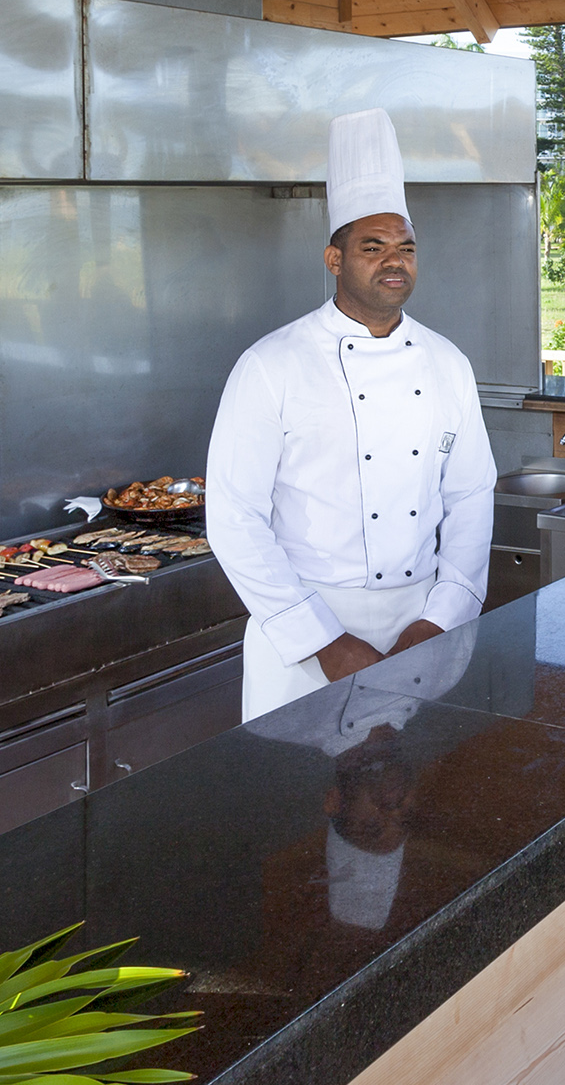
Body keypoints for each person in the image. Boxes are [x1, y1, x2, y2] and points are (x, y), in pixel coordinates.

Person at [206, 109, 498, 720]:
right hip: (304, 628)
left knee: (399, 803)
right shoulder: (271, 366)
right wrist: (325, 643)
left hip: (418, 632)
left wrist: (442, 617)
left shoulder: (448, 364)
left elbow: (471, 495)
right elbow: (235, 517)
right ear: (334, 260)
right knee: (294, 804)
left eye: (405, 248)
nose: (395, 261)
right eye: (373, 247)